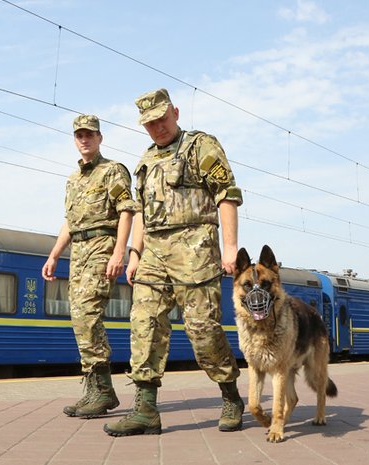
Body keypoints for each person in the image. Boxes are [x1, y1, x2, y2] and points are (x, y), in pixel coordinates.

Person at [103, 88, 245, 437]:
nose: (157, 128)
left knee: (202, 329)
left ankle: (230, 396)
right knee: (144, 323)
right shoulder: (146, 160)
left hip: (195, 247)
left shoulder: (201, 146)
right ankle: (146, 409)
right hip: (153, 251)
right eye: (149, 124)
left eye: (161, 120)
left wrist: (230, 248)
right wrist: (134, 253)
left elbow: (226, 194)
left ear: (176, 113)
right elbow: (141, 213)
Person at [42, 114, 136, 418]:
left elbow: (126, 211)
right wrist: (55, 254)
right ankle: (95, 387)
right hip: (79, 251)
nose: (84, 139)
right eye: (79, 135)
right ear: (75, 139)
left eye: (90, 135)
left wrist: (119, 251)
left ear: (100, 138)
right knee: (79, 316)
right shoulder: (73, 179)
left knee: (87, 313)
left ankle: (103, 391)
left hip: (101, 247)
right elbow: (69, 221)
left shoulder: (113, 171)